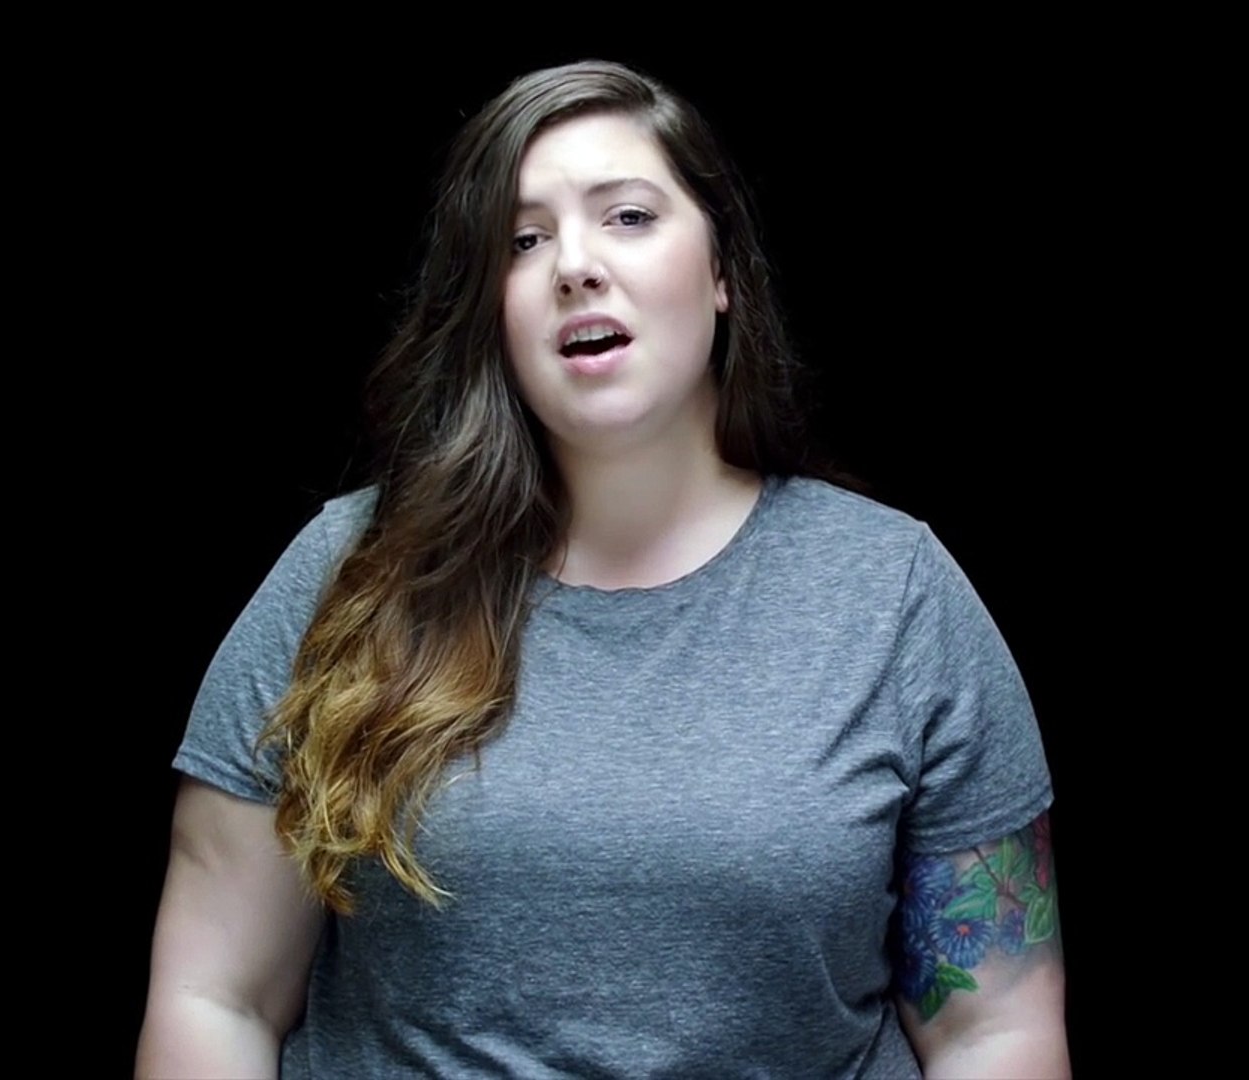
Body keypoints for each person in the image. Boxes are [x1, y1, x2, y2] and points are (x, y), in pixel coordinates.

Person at [137, 59, 1068, 1079]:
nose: (574, 265)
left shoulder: (895, 594)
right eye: (522, 240)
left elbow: (993, 1027)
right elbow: (214, 995)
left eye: (627, 217)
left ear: (722, 272)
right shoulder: (350, 574)